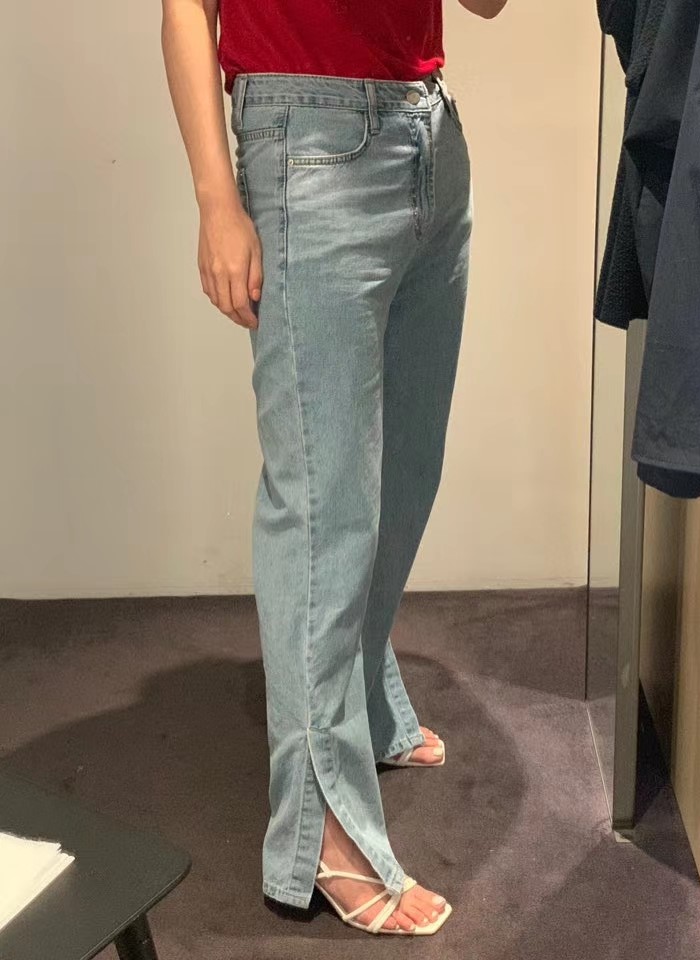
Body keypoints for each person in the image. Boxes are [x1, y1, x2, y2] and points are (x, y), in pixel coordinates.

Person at [161, 0, 507, 936]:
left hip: (429, 133)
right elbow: (186, 9)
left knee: (405, 471)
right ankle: (320, 835)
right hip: (306, 143)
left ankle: (364, 703)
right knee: (322, 501)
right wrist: (216, 199)